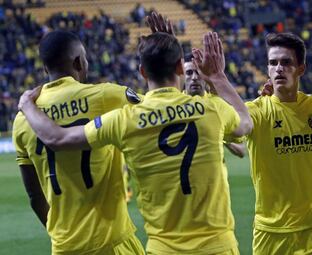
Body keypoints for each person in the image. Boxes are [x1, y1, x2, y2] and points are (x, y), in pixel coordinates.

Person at [18, 28, 253, 255]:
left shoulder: (122, 120)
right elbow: (244, 123)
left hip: (145, 247)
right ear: (182, 67)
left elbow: (55, 142)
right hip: (207, 246)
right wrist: (217, 78)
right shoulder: (210, 108)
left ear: (142, 71)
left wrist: (27, 105)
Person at [12, 30, 144, 254]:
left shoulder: (23, 119)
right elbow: (158, 111)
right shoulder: (107, 96)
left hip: (65, 247)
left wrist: (63, 234)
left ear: (46, 69)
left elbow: (35, 196)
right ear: (78, 61)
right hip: (112, 242)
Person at [242, 32, 312, 254]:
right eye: (273, 63)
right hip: (270, 231)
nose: (279, 68)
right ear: (267, 70)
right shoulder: (254, 111)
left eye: (286, 62)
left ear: (301, 68)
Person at [183, 53, 246, 158]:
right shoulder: (175, 104)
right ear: (182, 75)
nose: (194, 77)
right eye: (189, 73)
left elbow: (241, 151)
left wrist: (218, 134)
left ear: (205, 76)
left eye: (199, 73)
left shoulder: (218, 105)